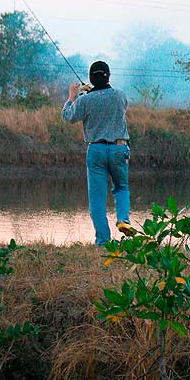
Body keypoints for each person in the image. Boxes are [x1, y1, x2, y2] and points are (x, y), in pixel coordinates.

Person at [61, 60, 134, 246]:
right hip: (119, 148)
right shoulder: (120, 95)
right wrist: (95, 92)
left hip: (96, 150)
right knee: (121, 188)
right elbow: (118, 106)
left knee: (97, 200)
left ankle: (103, 241)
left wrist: (72, 97)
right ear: (108, 76)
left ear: (91, 79)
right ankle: (123, 220)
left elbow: (68, 116)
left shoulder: (84, 100)